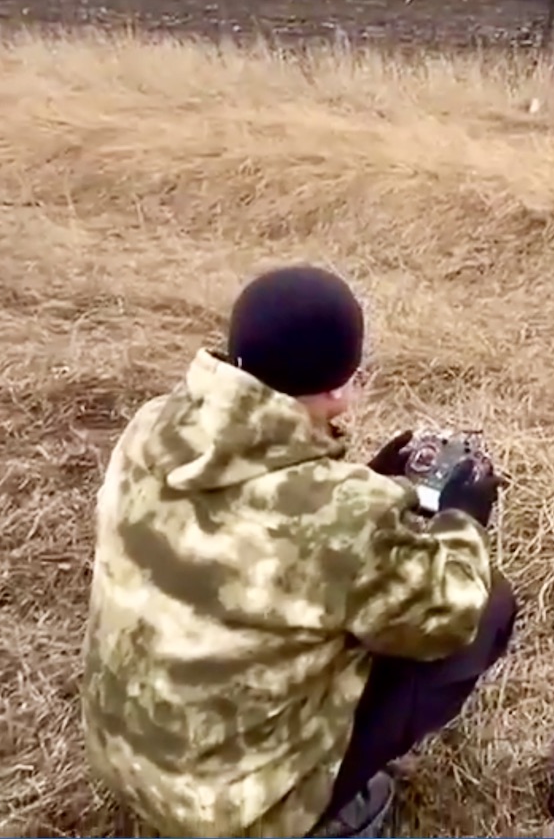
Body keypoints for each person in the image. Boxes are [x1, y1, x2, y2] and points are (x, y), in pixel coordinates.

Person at [81, 264, 517, 837]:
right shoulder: (341, 512)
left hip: (126, 761)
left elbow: (252, 528)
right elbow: (449, 613)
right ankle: (333, 818)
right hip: (236, 817)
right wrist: (463, 519)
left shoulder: (151, 426)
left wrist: (362, 485)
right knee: (490, 605)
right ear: (342, 387)